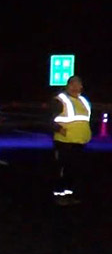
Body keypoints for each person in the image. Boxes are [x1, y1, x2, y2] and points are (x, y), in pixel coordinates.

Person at [51, 75, 93, 205]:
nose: (75, 87)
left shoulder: (84, 101)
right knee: (63, 169)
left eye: (78, 84)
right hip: (64, 142)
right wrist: (59, 129)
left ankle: (69, 194)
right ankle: (59, 195)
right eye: (72, 84)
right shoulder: (60, 100)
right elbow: (49, 118)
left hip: (80, 142)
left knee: (74, 170)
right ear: (68, 86)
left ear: (81, 86)